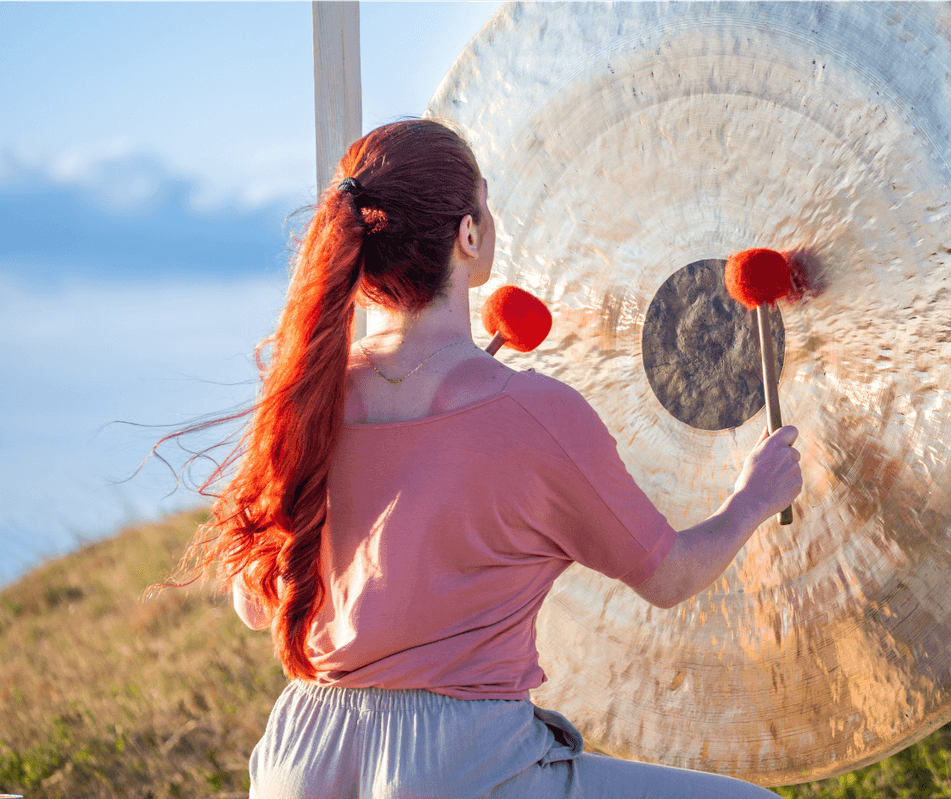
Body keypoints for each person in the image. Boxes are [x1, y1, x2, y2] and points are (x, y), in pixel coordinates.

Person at [170, 119, 804, 798]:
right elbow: (670, 575)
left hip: (299, 755)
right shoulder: (534, 414)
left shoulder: (301, 397)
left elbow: (253, 605)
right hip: (458, 764)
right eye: (486, 200)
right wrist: (751, 500)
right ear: (468, 235)